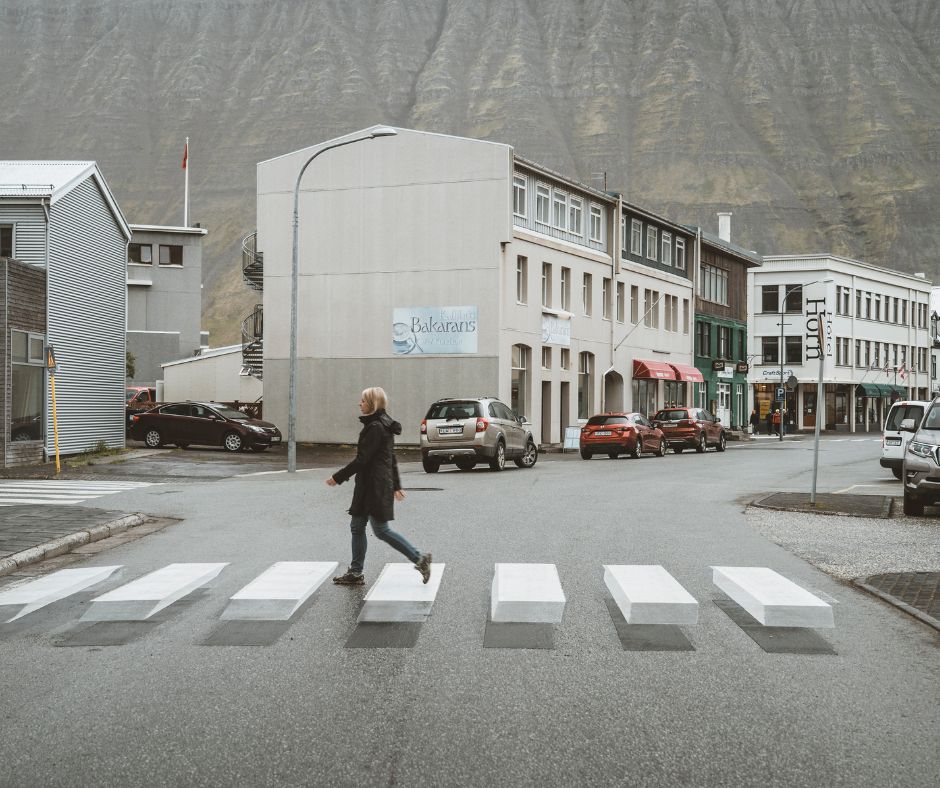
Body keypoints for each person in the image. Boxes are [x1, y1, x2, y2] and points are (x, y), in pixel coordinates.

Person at [327, 386, 432, 586]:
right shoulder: (382, 424)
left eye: (363, 400)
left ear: (372, 404)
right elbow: (390, 457)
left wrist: (338, 477)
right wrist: (397, 485)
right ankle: (356, 572)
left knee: (381, 530)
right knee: (357, 526)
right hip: (370, 484)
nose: (360, 403)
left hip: (374, 486)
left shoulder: (376, 427)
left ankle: (420, 559)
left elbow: (363, 459)